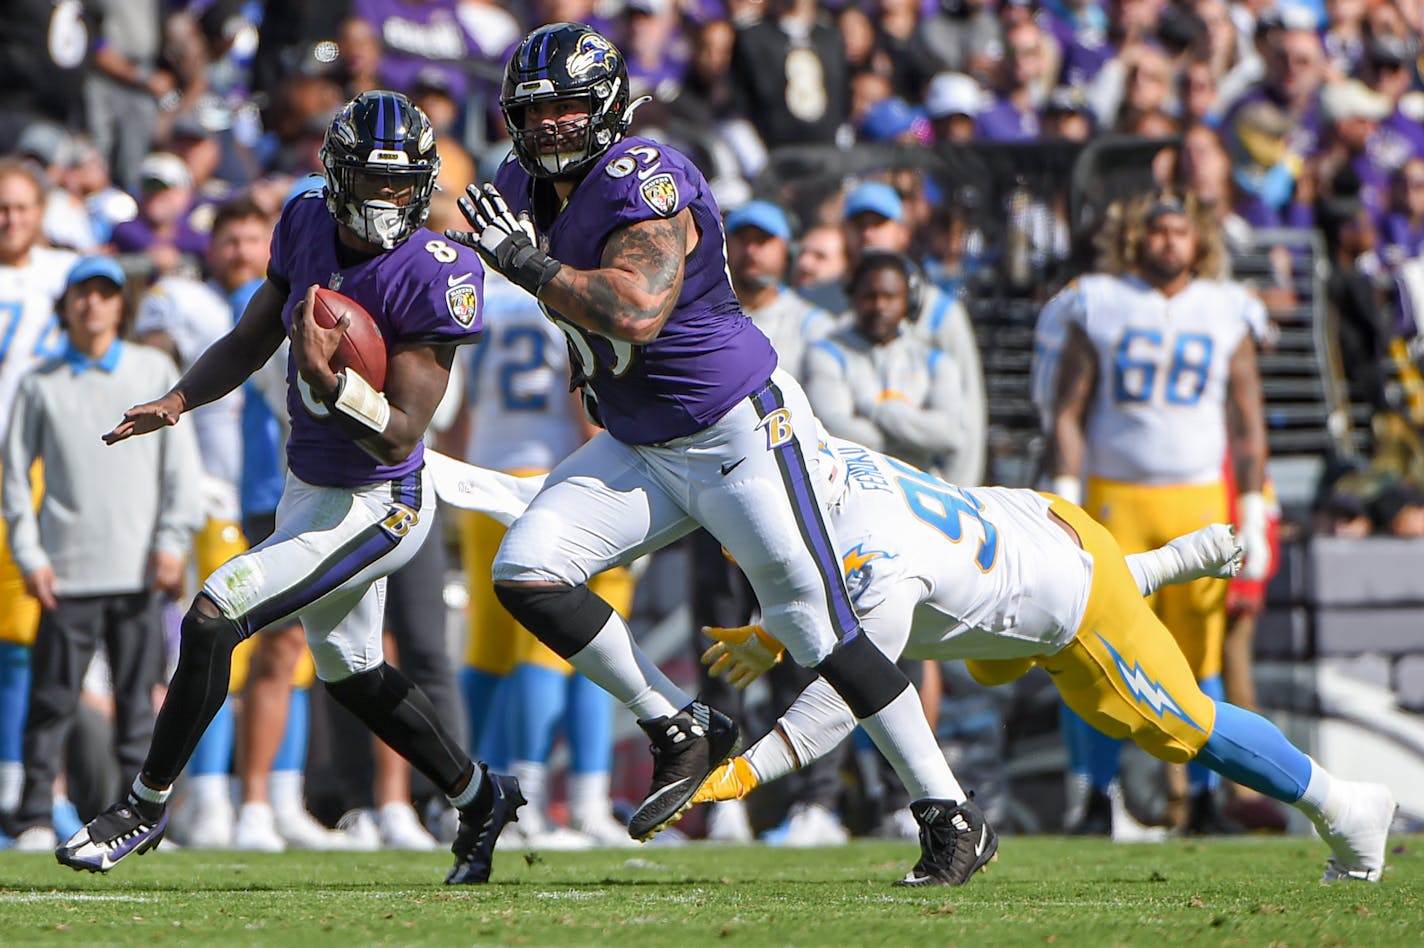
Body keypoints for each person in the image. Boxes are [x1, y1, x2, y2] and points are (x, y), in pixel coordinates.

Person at [445, 23, 971, 882]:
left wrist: (526, 263)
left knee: (818, 631)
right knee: (528, 570)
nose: (548, 127)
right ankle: (680, 725)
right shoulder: (516, 187)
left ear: (610, 107)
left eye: (568, 107)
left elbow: (636, 310)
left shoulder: (646, 177)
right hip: (640, 440)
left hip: (737, 429)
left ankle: (948, 809)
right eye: (533, 111)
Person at [58, 90, 522, 886]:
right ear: (336, 177)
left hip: (383, 502)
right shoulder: (305, 220)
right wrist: (178, 399)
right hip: (310, 485)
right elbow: (249, 335)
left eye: (399, 184)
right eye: (370, 182)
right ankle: (480, 797)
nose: (386, 200)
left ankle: (140, 805)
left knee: (213, 615)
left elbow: (404, 429)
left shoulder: (435, 269)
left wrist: (325, 379)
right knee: (352, 673)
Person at [690, 434, 1397, 885]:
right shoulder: (834, 457)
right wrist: (778, 633)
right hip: (1040, 523)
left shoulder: (879, 569)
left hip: (1070, 603)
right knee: (986, 659)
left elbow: (845, 697)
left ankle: (1344, 806)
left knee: (1181, 727)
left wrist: (746, 771)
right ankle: (1160, 565)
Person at [1040, 192, 1272, 835]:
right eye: (1158, 231)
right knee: (1095, 650)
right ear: (1136, 237)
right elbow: (1068, 409)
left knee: (1201, 660)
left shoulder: (1227, 307)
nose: (1169, 242)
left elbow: (1247, 419)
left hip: (1198, 498)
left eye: (1179, 231)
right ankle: (1093, 798)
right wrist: (1066, 493)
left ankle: (1201, 799)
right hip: (1117, 496)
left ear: (1198, 239)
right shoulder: (1101, 300)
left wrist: (1251, 506)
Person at [2, 256, 203, 849]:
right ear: (65, 306)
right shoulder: (40, 382)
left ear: (122, 304)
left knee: (138, 709)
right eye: (81, 294)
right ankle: (35, 814)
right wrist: (30, 556)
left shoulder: (152, 367)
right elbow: (14, 478)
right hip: (65, 572)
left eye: (105, 293)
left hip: (138, 569)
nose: (92, 305)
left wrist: (171, 543)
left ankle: (138, 820)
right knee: (51, 702)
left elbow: (179, 469)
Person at [455, 265, 633, 848]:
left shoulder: (477, 300)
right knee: (579, 644)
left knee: (489, 647)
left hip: (481, 481)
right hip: (555, 486)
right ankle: (545, 801)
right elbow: (588, 413)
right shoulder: (562, 297)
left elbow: (456, 419)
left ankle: (465, 795)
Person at [0, 159, 76, 834]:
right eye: (3, 207)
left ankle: (30, 787)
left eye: (21, 207)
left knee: (31, 639)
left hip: (38, 475)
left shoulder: (66, 273)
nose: (10, 219)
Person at [804, 250, 966, 480]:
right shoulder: (825, 352)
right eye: (870, 296)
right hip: (852, 485)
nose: (880, 305)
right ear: (853, 297)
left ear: (909, 301)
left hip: (920, 488)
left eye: (890, 296)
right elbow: (833, 430)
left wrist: (873, 410)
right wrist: (917, 440)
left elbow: (951, 435)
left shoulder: (935, 361)